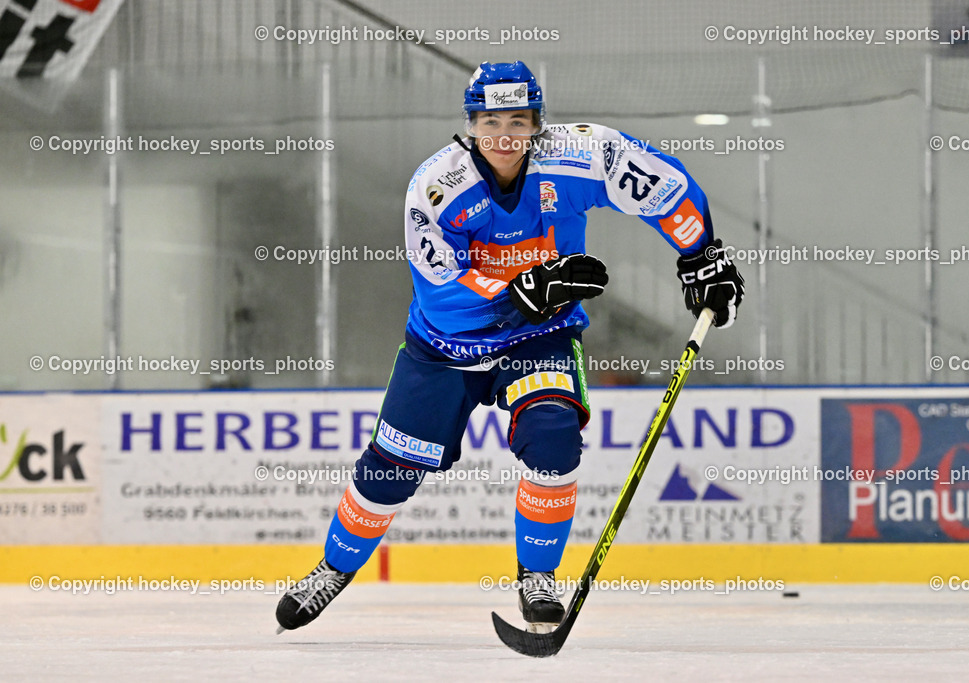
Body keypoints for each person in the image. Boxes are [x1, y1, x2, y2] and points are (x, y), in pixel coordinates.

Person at [276, 61, 744, 634]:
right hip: (446, 346)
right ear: (471, 124)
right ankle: (332, 568)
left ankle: (538, 577)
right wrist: (526, 288)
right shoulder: (435, 187)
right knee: (390, 469)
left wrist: (699, 255)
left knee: (553, 437)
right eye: (490, 121)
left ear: (538, 124)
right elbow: (443, 295)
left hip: (539, 338)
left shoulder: (579, 156)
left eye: (518, 121)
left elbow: (662, 187)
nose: (503, 135)